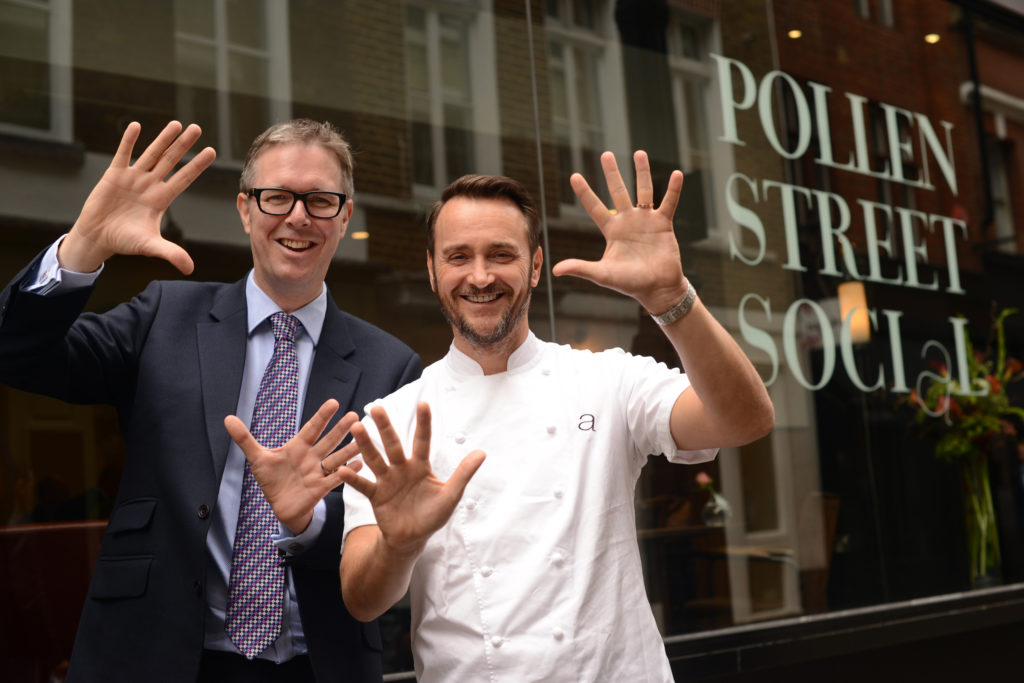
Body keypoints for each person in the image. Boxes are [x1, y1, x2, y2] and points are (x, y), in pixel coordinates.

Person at [228, 150, 775, 681]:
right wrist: (399, 544)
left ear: (535, 265)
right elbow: (362, 600)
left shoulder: (607, 380)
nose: (481, 276)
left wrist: (670, 296)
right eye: (459, 256)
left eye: (502, 255)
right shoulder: (390, 421)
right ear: (433, 269)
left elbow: (743, 420)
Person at [0, 119, 421, 682]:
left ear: (344, 217)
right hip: (155, 653)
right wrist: (83, 246)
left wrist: (310, 521)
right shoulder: (163, 317)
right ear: (246, 209)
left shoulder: (392, 366)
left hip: (313, 663)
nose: (298, 216)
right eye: (277, 198)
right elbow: (17, 353)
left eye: (321, 201)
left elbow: (387, 530)